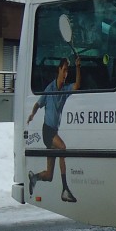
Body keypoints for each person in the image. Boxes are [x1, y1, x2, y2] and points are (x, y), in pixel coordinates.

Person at [25, 55, 82, 203]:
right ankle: (65, 189)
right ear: (59, 70)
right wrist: (32, 114)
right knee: (62, 147)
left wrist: (77, 67)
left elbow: (76, 86)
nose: (65, 74)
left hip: (53, 131)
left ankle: (34, 177)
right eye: (64, 70)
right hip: (47, 131)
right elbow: (38, 103)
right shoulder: (49, 88)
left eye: (67, 71)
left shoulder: (65, 88)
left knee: (49, 175)